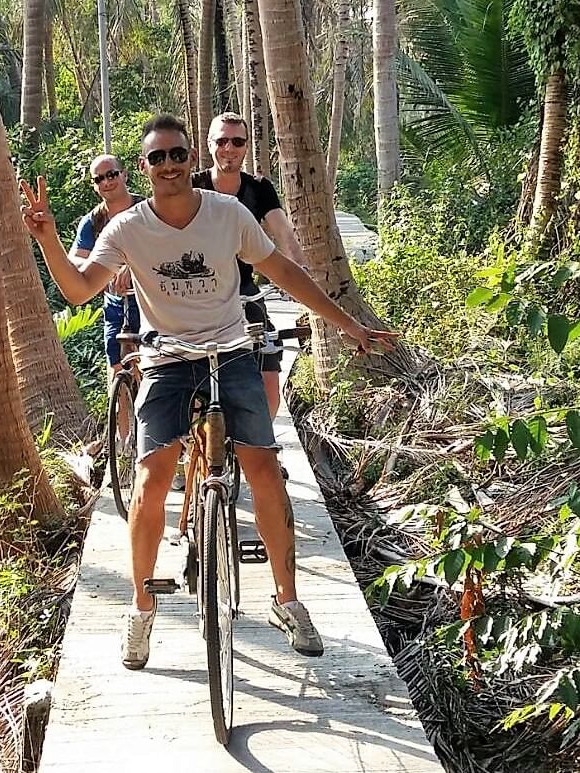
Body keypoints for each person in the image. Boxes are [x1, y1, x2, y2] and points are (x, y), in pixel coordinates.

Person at [20, 114, 398, 671]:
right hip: (168, 360)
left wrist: (349, 325)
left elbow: (284, 272)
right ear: (143, 167)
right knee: (151, 479)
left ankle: (288, 600)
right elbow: (79, 290)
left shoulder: (228, 214)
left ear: (190, 158)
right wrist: (47, 238)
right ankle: (142, 607)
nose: (168, 165)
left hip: (232, 352)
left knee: (264, 467)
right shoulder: (126, 229)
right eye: (157, 157)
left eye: (177, 154)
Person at [192, 112, 307, 426]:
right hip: (197, 295)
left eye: (237, 142)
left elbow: (283, 233)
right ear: (209, 144)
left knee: (269, 370)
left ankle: (263, 440)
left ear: (246, 147)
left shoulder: (259, 188)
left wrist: (300, 273)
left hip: (245, 292)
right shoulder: (193, 187)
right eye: (221, 141)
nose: (229, 148)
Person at [71, 155, 144, 376]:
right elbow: (76, 259)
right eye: (99, 179)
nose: (106, 182)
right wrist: (107, 270)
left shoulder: (147, 210)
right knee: (117, 370)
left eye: (111, 175)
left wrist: (132, 267)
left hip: (152, 304)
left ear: (124, 175)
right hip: (115, 307)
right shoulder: (92, 221)